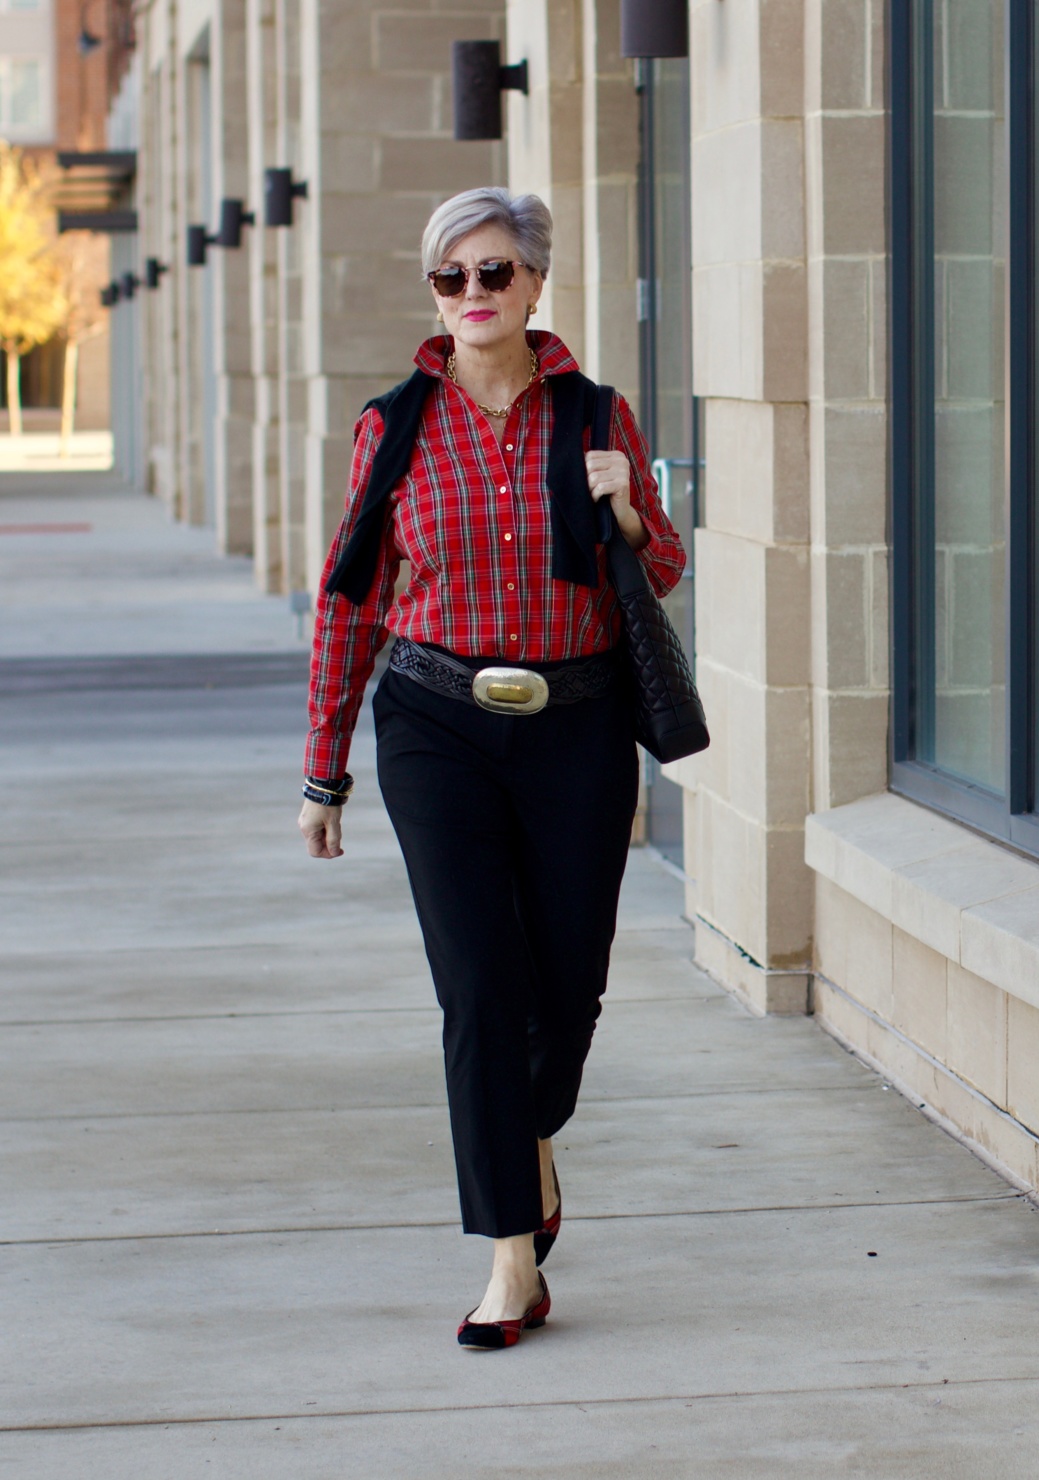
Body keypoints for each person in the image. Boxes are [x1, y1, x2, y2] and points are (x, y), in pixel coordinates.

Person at [296, 186, 685, 1350]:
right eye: (450, 277)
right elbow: (351, 597)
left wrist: (625, 513)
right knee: (477, 989)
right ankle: (508, 1258)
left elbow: (656, 573)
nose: (472, 295)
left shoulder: (596, 414)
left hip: (575, 726)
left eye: (494, 273)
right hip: (435, 729)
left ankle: (532, 1146)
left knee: (566, 990)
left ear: (534, 284)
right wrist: (324, 769)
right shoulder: (396, 425)